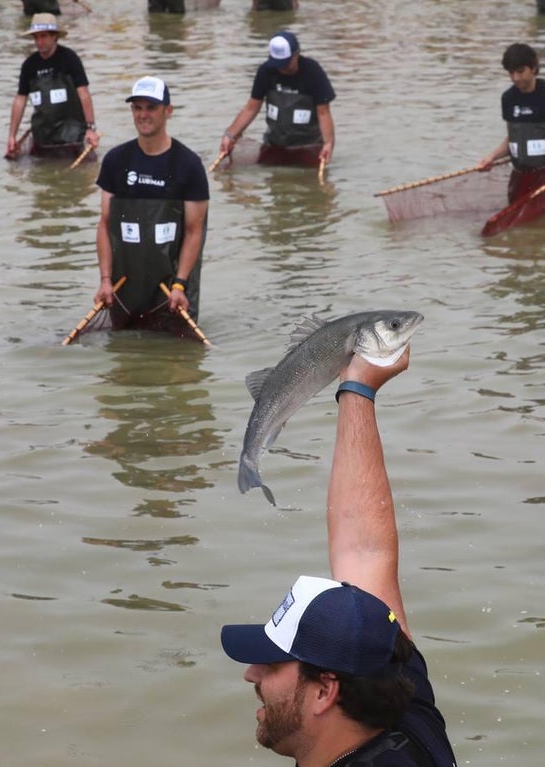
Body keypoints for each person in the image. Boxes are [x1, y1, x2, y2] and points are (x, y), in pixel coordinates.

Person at [221, 349, 459, 767]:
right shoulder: (404, 715)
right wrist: (358, 387)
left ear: (324, 691)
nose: (251, 673)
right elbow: (365, 552)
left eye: (273, 664)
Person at [93, 76, 209, 336]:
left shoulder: (189, 165)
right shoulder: (115, 160)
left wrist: (180, 284)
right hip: (125, 287)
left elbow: (194, 232)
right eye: (137, 107)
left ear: (168, 111)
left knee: (174, 352)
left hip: (174, 290)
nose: (143, 115)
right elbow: (104, 224)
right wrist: (105, 280)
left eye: (151, 107)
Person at [478, 43, 545, 211]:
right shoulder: (508, 98)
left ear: (534, 68)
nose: (516, 78)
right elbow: (513, 138)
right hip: (521, 177)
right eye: (511, 73)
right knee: (517, 219)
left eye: (520, 71)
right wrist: (492, 157)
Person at [219, 30, 335, 167]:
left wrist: (328, 143)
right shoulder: (266, 71)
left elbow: (323, 112)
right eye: (278, 64)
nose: (281, 68)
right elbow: (251, 108)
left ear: (296, 54)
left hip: (308, 144)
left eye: (286, 63)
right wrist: (230, 135)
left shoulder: (313, 72)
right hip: (275, 143)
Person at [7, 13, 99, 159]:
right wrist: (12, 136)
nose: (39, 42)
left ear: (55, 36)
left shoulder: (69, 59)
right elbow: (20, 99)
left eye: (43, 36)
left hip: (72, 136)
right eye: (36, 37)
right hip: (42, 138)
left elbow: (83, 93)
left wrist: (91, 128)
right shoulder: (29, 65)